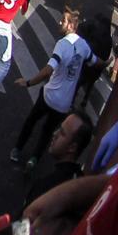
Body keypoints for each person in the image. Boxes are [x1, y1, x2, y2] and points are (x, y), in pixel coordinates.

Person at [11, 9, 97, 169]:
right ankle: (34, 158)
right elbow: (94, 61)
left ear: (71, 25)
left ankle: (17, 149)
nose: (59, 23)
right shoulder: (84, 46)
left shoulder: (62, 44)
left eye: (63, 21)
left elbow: (48, 70)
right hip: (64, 104)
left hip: (49, 95)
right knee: (48, 131)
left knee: (31, 121)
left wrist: (29, 82)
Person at [23, 112, 94, 208]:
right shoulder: (81, 183)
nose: (54, 134)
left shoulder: (46, 188)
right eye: (59, 128)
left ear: (72, 147)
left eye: (62, 133)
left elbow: (24, 220)